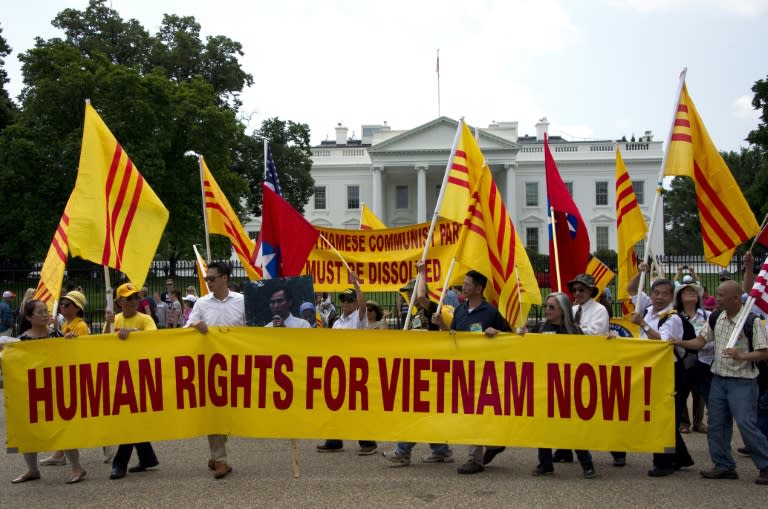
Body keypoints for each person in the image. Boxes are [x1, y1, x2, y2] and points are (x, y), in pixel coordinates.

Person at [671, 280, 768, 485]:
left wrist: (742, 356)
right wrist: (678, 342)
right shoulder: (716, 317)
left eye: (722, 295)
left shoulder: (752, 321)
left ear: (735, 298)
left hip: (742, 381)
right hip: (718, 379)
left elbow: (764, 352)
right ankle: (723, 465)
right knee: (716, 424)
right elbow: (700, 342)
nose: (717, 298)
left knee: (746, 424)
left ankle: (765, 465)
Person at [432, 269, 510, 475]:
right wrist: (441, 325)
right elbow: (454, 338)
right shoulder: (459, 311)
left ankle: (473, 459)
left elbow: (509, 337)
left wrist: (497, 333)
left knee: (474, 413)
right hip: (463, 370)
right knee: (471, 413)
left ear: (478, 288)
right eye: (464, 283)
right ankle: (493, 446)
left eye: (467, 284)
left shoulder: (490, 312)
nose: (463, 286)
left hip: (484, 372)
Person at [383, 262, 454, 466]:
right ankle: (440, 449)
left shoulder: (432, 308)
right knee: (424, 411)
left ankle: (403, 450)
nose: (409, 296)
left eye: (411, 291)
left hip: (431, 367)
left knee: (416, 410)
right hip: (418, 368)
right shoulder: (413, 314)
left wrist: (422, 272)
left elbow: (422, 297)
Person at [11, 299, 87, 484]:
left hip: (55, 390)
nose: (45, 314)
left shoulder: (57, 335)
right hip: (33, 392)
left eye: (46, 311)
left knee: (62, 429)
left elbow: (71, 357)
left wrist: (70, 342)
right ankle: (32, 469)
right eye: (40, 312)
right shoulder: (21, 341)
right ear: (29, 317)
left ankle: (77, 467)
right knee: (28, 431)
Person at [628, 268, 694, 477]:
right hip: (652, 368)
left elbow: (663, 343)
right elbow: (631, 289)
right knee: (663, 416)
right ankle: (681, 457)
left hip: (670, 371)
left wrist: (643, 325)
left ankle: (663, 461)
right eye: (656, 293)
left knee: (662, 416)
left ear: (671, 297)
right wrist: (641, 273)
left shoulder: (672, 318)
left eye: (665, 294)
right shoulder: (648, 310)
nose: (659, 297)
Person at [186, 261, 245, 479]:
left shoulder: (242, 301)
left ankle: (215, 453)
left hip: (237, 366)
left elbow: (253, 330)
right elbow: (186, 328)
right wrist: (195, 326)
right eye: (206, 279)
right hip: (211, 367)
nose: (208, 282)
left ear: (224, 278)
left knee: (230, 415)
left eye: (211, 278)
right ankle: (221, 460)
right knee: (214, 412)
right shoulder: (201, 303)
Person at [529, 292, 597, 479]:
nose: (547, 310)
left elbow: (589, 354)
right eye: (546, 306)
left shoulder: (575, 331)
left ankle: (586, 463)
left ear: (563, 309)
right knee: (543, 426)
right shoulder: (539, 328)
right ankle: (545, 464)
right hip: (544, 385)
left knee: (573, 426)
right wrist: (521, 336)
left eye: (552, 306)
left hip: (568, 385)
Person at [554, 274, 616, 466]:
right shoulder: (570, 310)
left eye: (582, 289)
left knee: (596, 411)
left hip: (591, 365)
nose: (577, 293)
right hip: (571, 364)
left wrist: (572, 328)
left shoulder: (600, 310)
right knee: (566, 409)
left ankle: (617, 449)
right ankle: (564, 448)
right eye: (574, 290)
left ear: (591, 291)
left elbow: (595, 333)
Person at [317, 271, 377, 455]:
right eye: (343, 299)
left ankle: (368, 443)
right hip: (338, 367)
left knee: (357, 407)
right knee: (335, 404)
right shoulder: (337, 322)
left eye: (349, 300)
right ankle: (334, 441)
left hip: (356, 367)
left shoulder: (359, 318)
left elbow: (362, 304)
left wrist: (357, 285)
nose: (345, 303)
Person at [105, 283, 160, 480]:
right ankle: (147, 457)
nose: (135, 301)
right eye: (129, 298)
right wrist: (107, 325)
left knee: (129, 418)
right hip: (119, 375)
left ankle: (119, 463)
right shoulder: (114, 319)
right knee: (130, 417)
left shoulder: (145, 319)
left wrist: (133, 335)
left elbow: (153, 338)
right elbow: (101, 345)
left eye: (136, 297)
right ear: (119, 302)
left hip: (139, 375)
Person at [38, 290, 91, 467]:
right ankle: (59, 453)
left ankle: (61, 453)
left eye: (66, 304)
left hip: (74, 375)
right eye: (62, 303)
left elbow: (80, 352)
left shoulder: (80, 326)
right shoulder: (64, 325)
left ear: (77, 309)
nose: (62, 306)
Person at [674, 282, 711, 435]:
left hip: (703, 359)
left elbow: (711, 340)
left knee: (700, 393)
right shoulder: (675, 317)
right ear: (680, 297)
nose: (691, 293)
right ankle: (684, 422)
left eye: (693, 291)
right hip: (682, 360)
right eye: (686, 292)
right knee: (681, 391)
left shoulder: (707, 316)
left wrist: (697, 344)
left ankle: (698, 422)